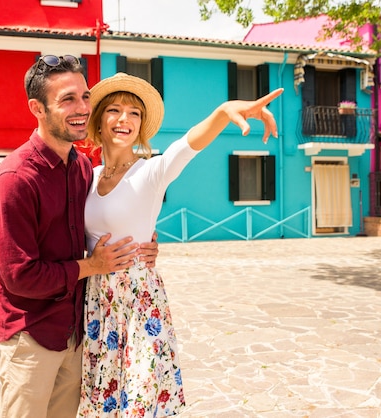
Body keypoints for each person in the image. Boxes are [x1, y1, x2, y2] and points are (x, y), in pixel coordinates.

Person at [79, 72, 283, 417]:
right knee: (103, 400)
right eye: (114, 110)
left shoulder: (151, 172)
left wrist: (224, 111)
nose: (124, 119)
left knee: (141, 400)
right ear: (99, 122)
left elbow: (188, 144)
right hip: (99, 300)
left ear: (141, 126)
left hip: (140, 301)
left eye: (134, 113)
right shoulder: (88, 175)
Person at [0, 56, 159, 418]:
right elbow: (19, 276)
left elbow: (101, 218)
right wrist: (92, 265)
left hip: (78, 332)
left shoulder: (81, 167)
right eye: (67, 99)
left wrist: (144, 237)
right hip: (31, 337)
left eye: (84, 96)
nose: (81, 109)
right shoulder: (14, 179)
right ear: (38, 108)